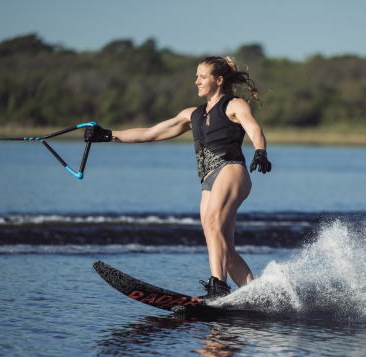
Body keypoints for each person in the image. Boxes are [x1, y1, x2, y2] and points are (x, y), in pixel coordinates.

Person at [84, 56, 271, 300]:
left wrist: (260, 151)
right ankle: (255, 298)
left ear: (219, 80)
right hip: (208, 181)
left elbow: (254, 127)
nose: (197, 81)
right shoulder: (191, 114)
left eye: (202, 77)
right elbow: (150, 133)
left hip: (231, 170)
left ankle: (218, 289)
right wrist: (108, 135)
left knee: (212, 224)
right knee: (223, 246)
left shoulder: (233, 105)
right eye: (196, 76)